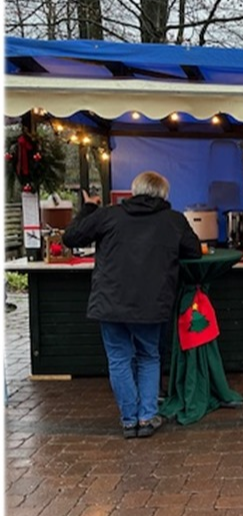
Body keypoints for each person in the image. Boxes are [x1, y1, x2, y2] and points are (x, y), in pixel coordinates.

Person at [62, 171, 202, 439]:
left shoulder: (108, 215)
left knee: (118, 359)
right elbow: (193, 251)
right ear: (164, 194)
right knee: (149, 357)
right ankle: (147, 418)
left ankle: (129, 421)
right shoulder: (173, 220)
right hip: (152, 304)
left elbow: (71, 237)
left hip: (111, 302)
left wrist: (90, 206)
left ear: (133, 190)